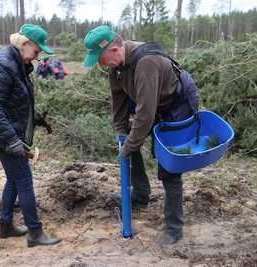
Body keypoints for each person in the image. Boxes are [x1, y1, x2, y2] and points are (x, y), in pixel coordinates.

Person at [82, 25, 199, 245]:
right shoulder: (115, 66)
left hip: (176, 102)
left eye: (100, 57)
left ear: (115, 50)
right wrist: (121, 133)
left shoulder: (147, 63)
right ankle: (141, 195)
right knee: (128, 139)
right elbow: (119, 101)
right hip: (150, 100)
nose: (98, 63)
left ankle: (174, 228)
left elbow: (145, 114)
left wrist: (127, 149)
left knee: (169, 165)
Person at [0, 24, 62, 248]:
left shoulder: (17, 63)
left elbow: (13, 98)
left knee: (14, 179)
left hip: (1, 127)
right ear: (24, 44)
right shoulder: (4, 65)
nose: (37, 58)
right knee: (24, 179)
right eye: (36, 52)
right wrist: (11, 140)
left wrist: (33, 115)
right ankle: (35, 233)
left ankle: (6, 226)